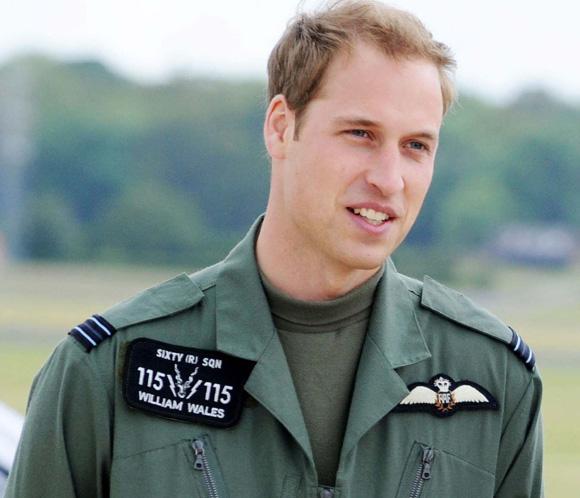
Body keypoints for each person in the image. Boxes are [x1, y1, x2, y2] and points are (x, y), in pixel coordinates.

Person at [5, 1, 543, 497]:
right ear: (282, 128)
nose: (389, 178)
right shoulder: (108, 371)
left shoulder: (494, 380)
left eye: (416, 146)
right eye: (360, 134)